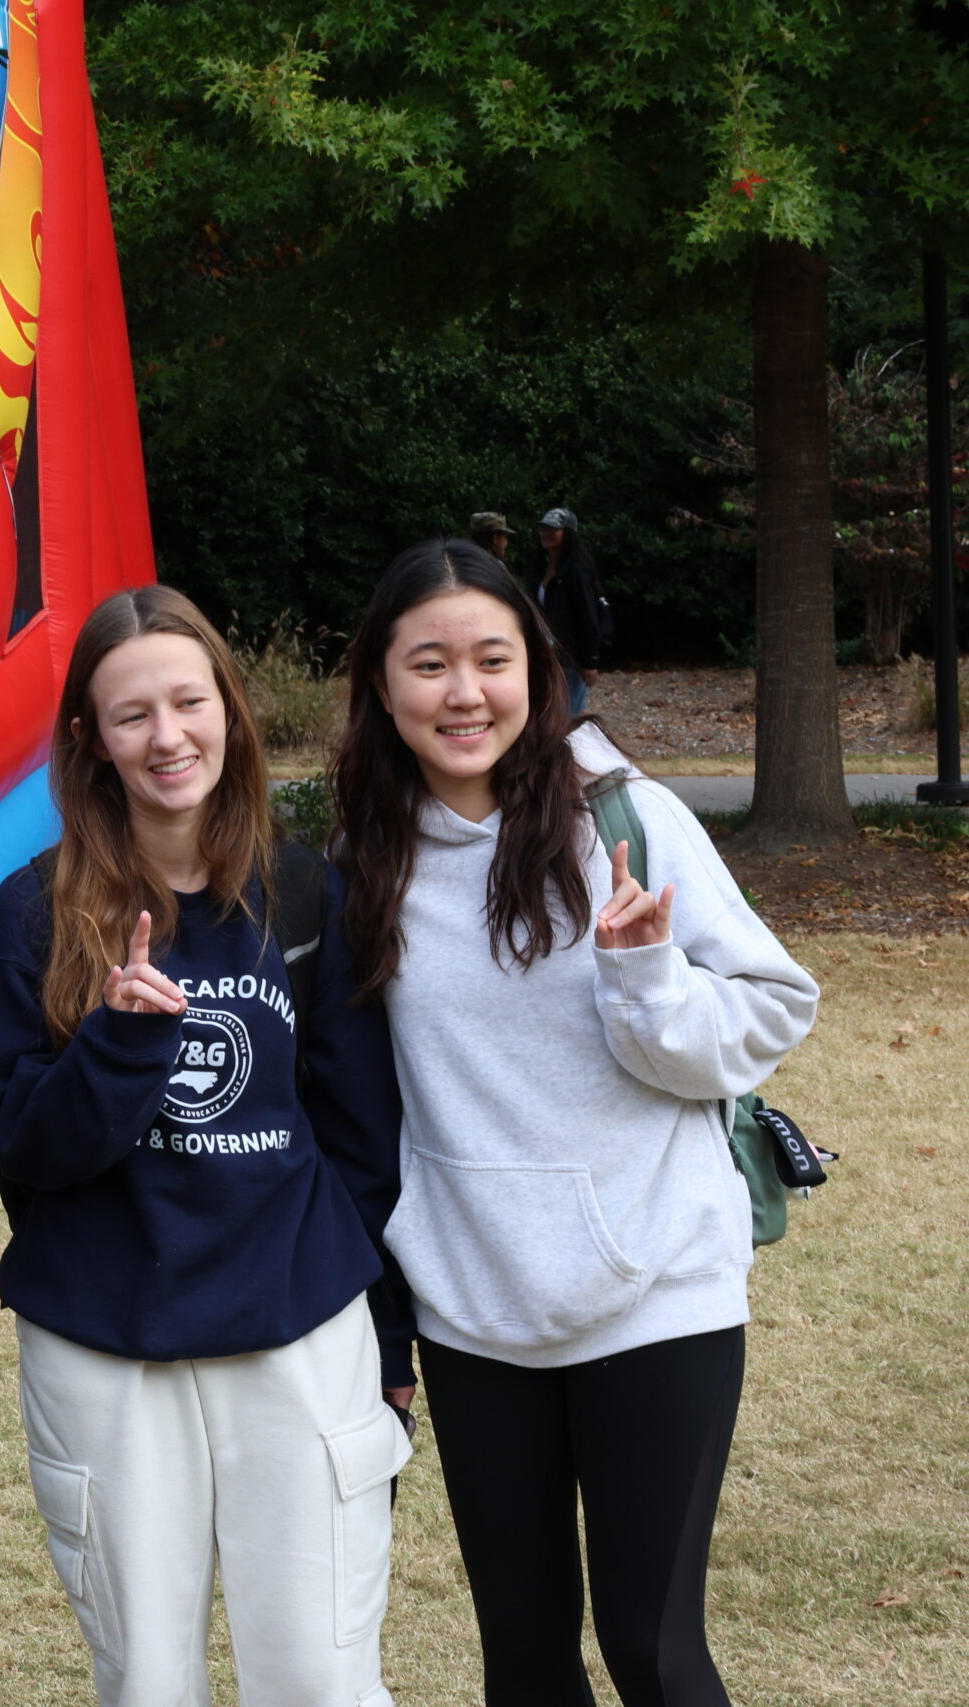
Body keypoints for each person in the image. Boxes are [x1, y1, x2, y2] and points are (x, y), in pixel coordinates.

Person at [331, 539, 817, 1707]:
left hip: (657, 1292)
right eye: (429, 664)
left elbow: (768, 1011)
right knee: (528, 1661)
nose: (463, 694)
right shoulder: (362, 853)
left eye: (492, 659)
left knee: (653, 1653)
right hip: (473, 1310)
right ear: (382, 685)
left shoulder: (625, 820)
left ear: (534, 671)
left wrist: (648, 980)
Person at [0, 585, 411, 1707]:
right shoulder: (33, 913)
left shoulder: (308, 891)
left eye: (188, 701)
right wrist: (119, 1042)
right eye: (132, 715)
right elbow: (26, 1151)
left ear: (229, 707)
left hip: (295, 1336)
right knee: (149, 1683)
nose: (167, 737)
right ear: (89, 741)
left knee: (318, 1678)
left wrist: (378, 1341)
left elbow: (364, 1150)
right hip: (108, 1344)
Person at [533, 506, 604, 712]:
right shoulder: (541, 568)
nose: (546, 533)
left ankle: (571, 745)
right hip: (549, 655)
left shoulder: (576, 571)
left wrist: (590, 662)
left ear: (568, 533)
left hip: (571, 658)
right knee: (552, 712)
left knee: (568, 715)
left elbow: (588, 617)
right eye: (543, 528)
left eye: (553, 529)